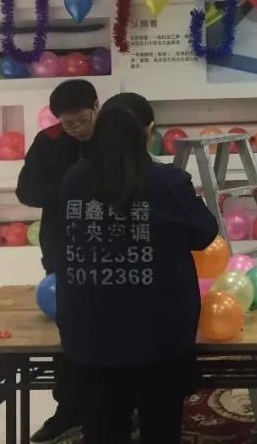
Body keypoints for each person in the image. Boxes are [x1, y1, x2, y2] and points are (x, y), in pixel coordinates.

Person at [57, 105, 218, 444]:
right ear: (145, 135)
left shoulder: (74, 180)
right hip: (159, 334)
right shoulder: (168, 182)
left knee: (102, 430)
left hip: (90, 334)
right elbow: (204, 232)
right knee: (161, 428)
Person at [16, 78, 98, 443]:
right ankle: (67, 410)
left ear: (96, 107)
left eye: (82, 119)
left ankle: (116, 407)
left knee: (112, 329)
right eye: (69, 123)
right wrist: (69, 187)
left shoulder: (113, 136)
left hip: (109, 246)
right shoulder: (47, 142)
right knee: (67, 333)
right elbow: (26, 191)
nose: (77, 128)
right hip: (62, 246)